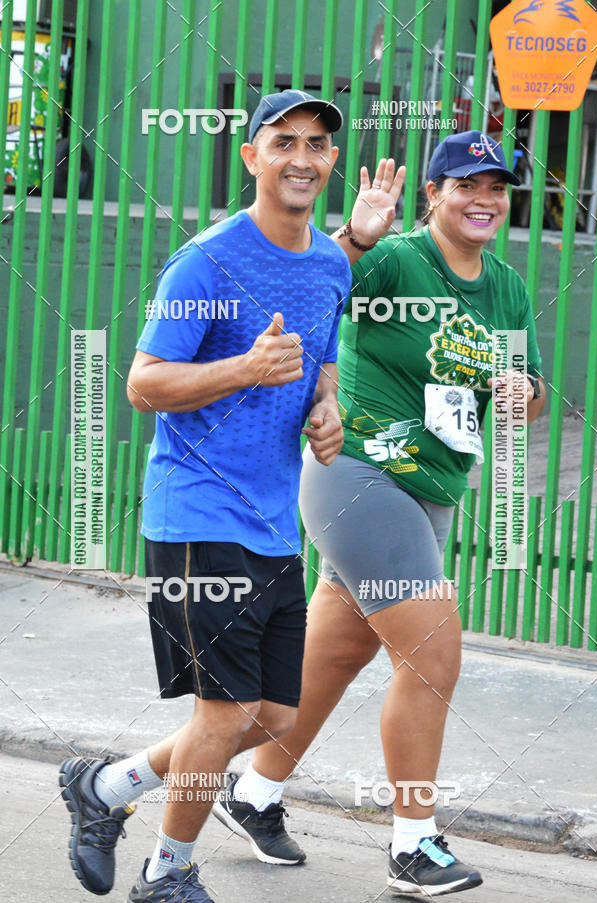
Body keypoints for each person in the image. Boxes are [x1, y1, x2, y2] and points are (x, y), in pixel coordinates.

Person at [214, 130, 546, 897]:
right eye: (466, 185)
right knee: (431, 656)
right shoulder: (397, 259)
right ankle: (412, 842)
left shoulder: (506, 286)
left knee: (329, 661)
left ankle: (246, 791)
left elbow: (526, 388)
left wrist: (520, 395)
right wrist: (356, 235)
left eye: (496, 188)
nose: (484, 200)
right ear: (433, 194)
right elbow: (311, 286)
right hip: (360, 475)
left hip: (432, 490)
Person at [57, 89, 358, 902]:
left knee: (270, 718)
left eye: (318, 144)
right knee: (225, 716)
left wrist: (327, 410)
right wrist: (242, 370)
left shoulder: (331, 264)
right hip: (196, 514)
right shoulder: (207, 260)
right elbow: (143, 382)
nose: (302, 156)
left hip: (272, 520)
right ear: (251, 156)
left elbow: (322, 364)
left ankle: (105, 788)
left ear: (332, 161)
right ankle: (168, 873)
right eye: (283, 140)